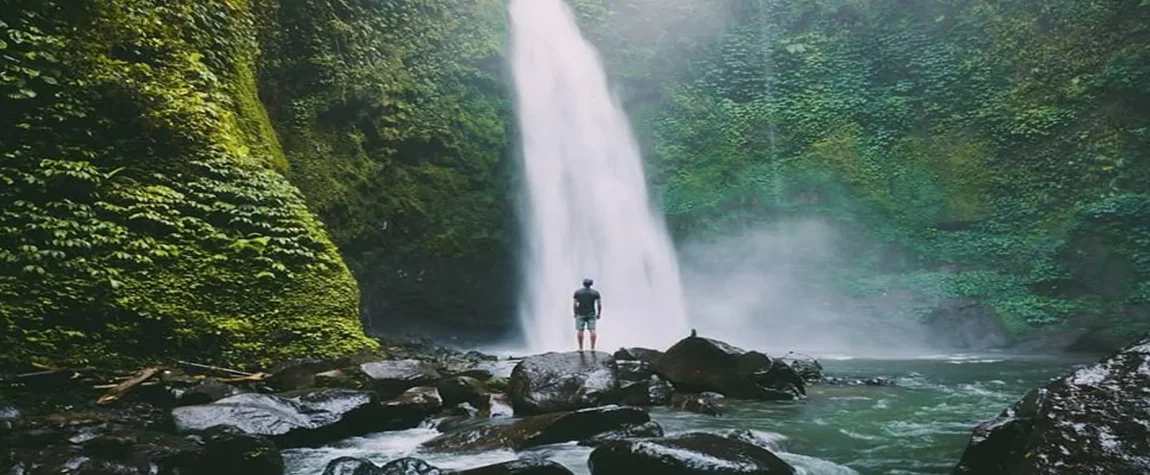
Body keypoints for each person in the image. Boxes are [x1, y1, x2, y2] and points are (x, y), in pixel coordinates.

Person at [573, 277, 602, 351]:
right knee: (592, 330)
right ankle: (592, 348)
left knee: (580, 330)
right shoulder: (595, 293)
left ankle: (580, 348)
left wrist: (575, 313)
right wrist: (599, 313)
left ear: (583, 284)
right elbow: (599, 304)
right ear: (591, 284)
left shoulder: (578, 292)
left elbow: (574, 304)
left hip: (580, 313)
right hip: (591, 313)